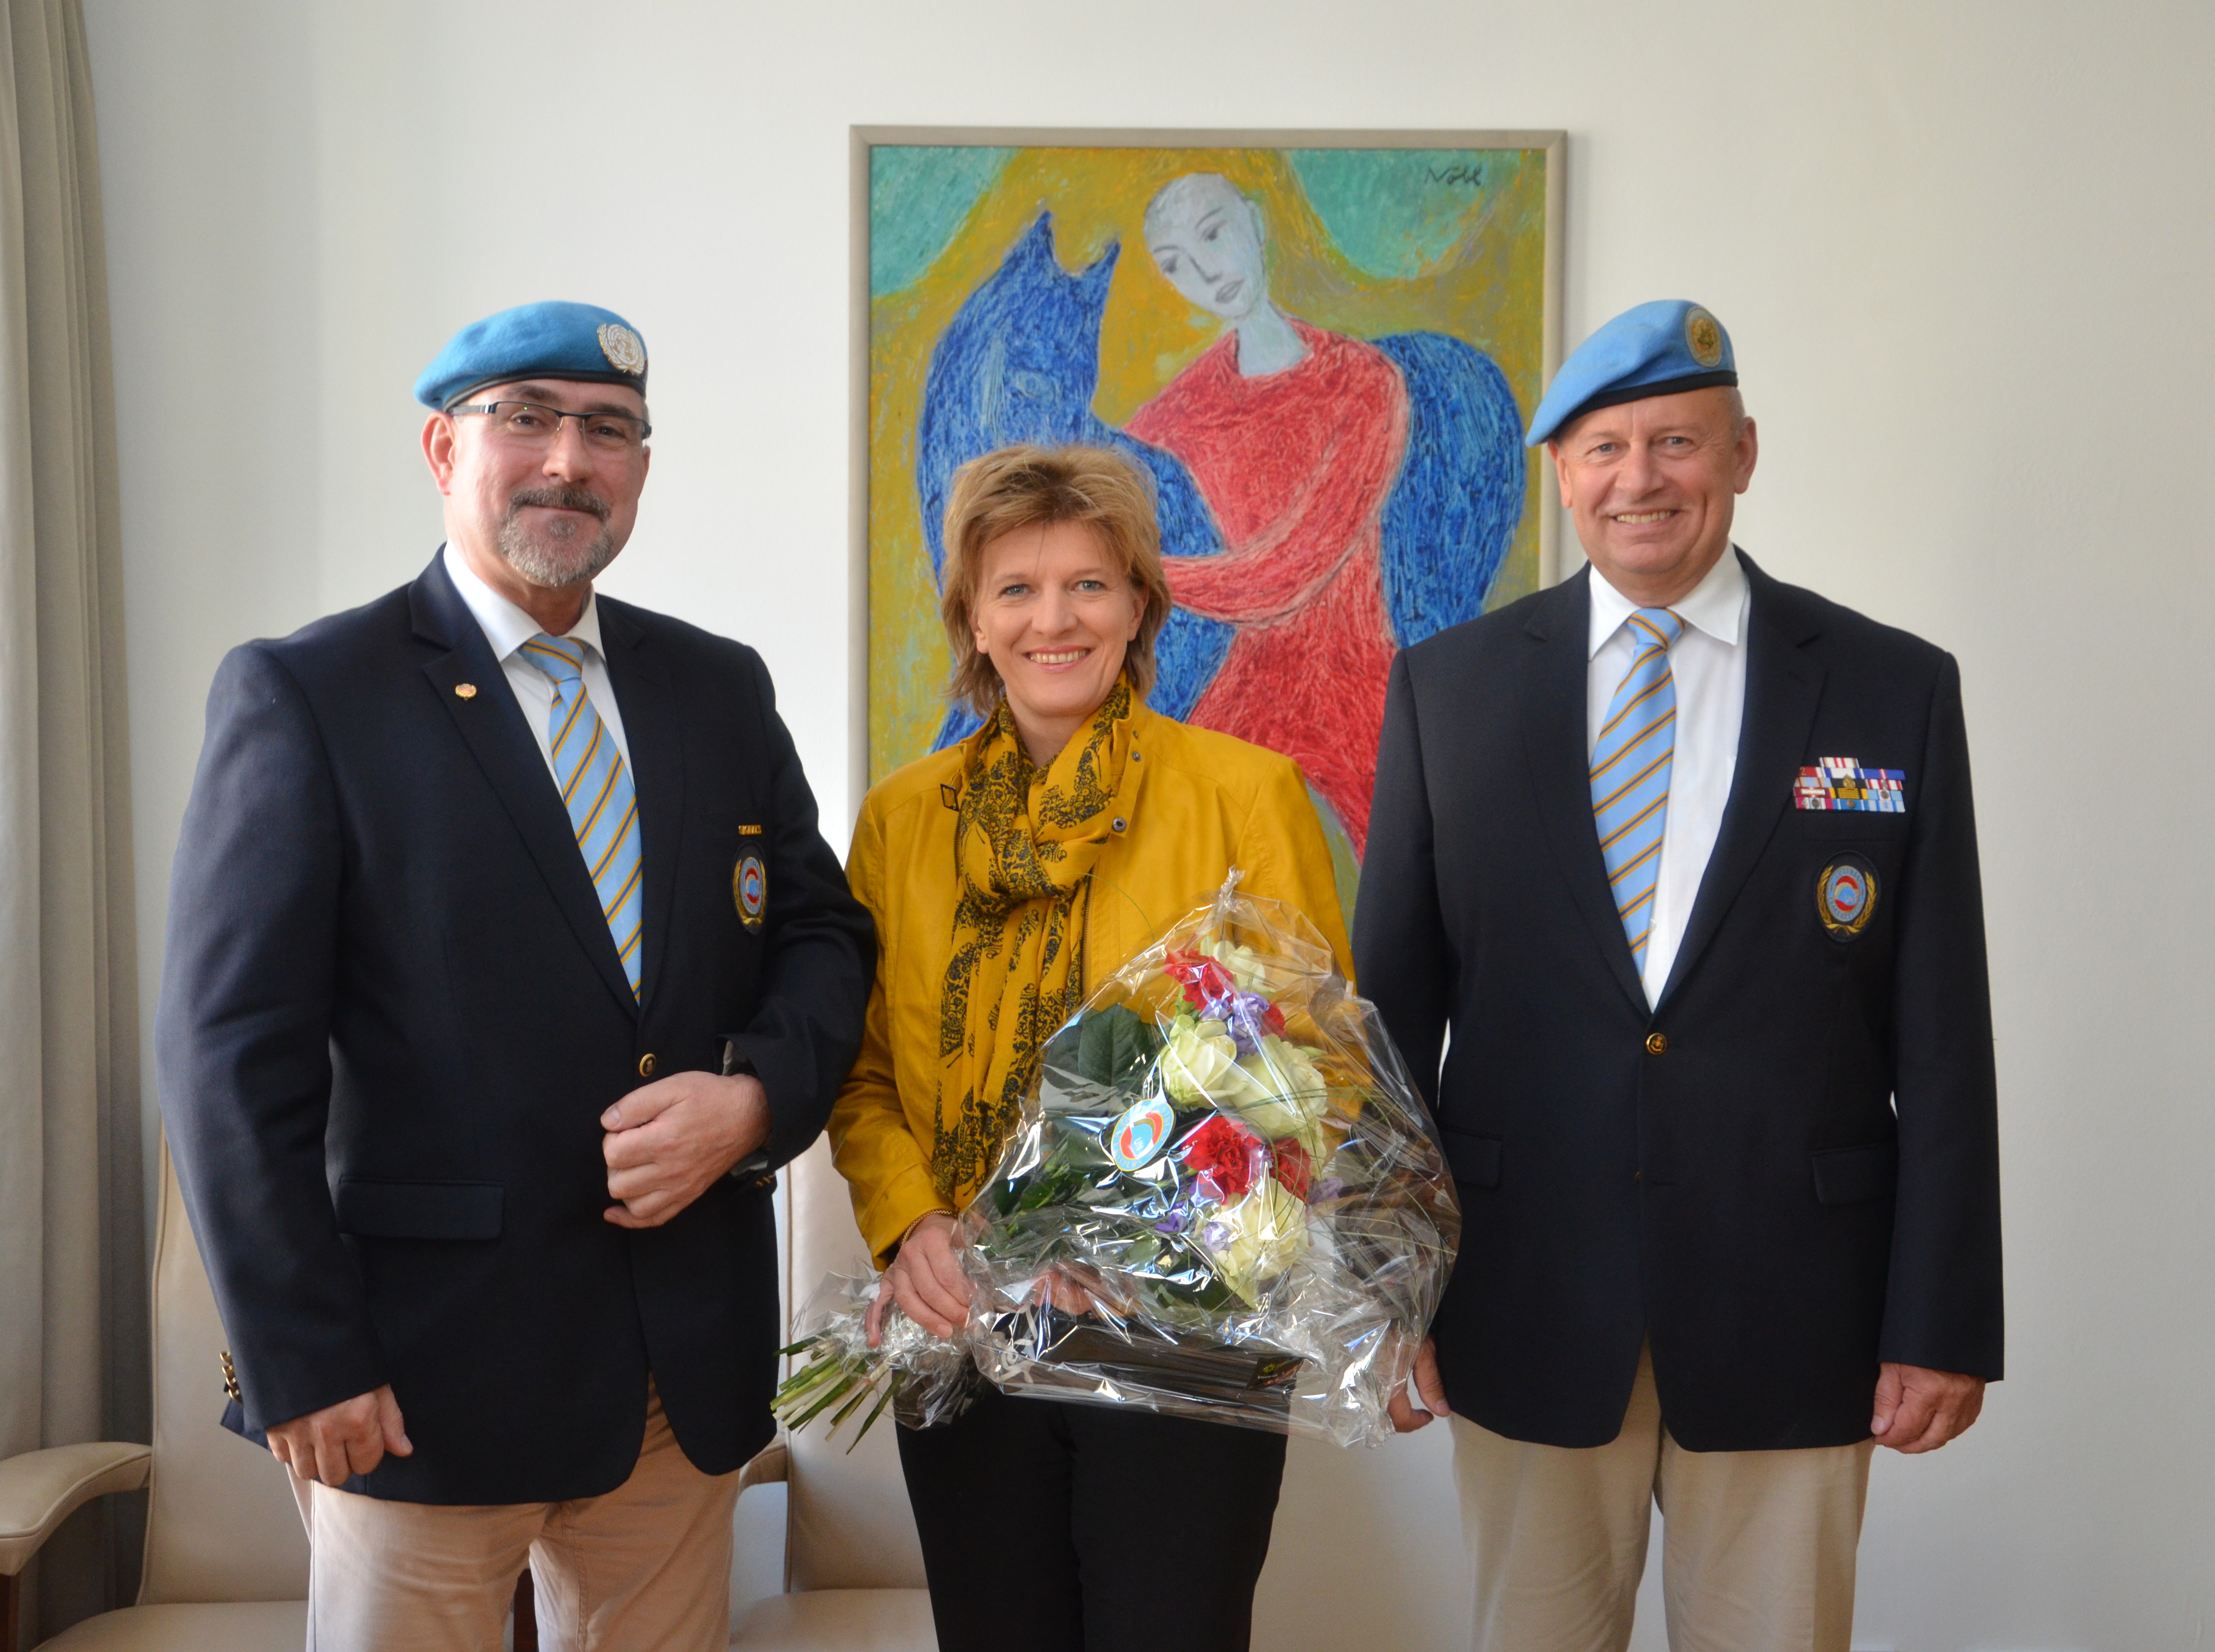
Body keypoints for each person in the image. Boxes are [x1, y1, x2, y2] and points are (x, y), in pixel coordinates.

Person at [154, 300, 873, 1652]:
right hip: (412, 1386)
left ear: (641, 472)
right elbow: (225, 1055)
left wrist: (753, 1101)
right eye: (523, 420)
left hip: (676, 1376)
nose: (567, 460)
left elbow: (823, 939)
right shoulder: (311, 694)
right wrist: (304, 1357)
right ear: (443, 450)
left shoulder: (716, 688)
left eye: (608, 430)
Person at [1355, 300, 2003, 1651]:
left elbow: (1943, 1040)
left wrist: (1944, 1318)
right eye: (1604, 448)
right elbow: (1393, 1026)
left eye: (1676, 441)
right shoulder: (1446, 691)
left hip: (1799, 1308)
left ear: (1745, 453)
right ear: (1562, 475)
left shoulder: (1892, 690)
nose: (1639, 478)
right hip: (1521, 1297)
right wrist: (1382, 1290)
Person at [828, 444, 1351, 1651]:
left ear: (1138, 608)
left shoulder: (1244, 793)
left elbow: (1311, 1072)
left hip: (1184, 1336)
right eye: (1015, 588)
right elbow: (859, 1077)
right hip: (965, 1330)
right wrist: (916, 1228)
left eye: (1087, 585)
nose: (1051, 619)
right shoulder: (902, 821)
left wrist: (1133, 1244)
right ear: (970, 616)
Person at [1125, 172, 1410, 851]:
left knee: (1412, 904)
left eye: (1214, 233)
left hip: (1356, 687)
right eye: (1174, 266)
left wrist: (1141, 569)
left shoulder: (1365, 383)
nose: (1205, 272)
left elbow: (1286, 575)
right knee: (1179, 876)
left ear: (1255, 223)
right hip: (1248, 689)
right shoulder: (1176, 415)